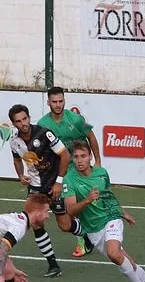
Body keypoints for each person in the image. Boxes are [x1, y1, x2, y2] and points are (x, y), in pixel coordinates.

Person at [62, 142, 145, 282]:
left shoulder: (101, 173)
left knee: (114, 253)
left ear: (90, 156)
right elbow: (70, 211)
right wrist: (87, 201)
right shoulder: (69, 180)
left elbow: (109, 198)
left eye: (83, 156)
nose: (80, 160)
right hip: (93, 230)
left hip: (110, 219)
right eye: (76, 157)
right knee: (128, 262)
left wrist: (122, 213)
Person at [8, 104, 91, 278]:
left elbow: (65, 155)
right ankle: (53, 265)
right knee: (36, 223)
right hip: (36, 186)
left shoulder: (45, 133)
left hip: (54, 183)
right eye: (18, 121)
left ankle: (85, 235)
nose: (23, 123)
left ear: (29, 117)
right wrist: (20, 174)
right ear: (14, 124)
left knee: (65, 226)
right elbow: (16, 159)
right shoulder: (15, 142)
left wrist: (59, 182)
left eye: (25, 119)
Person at [37, 86, 101, 258]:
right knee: (68, 211)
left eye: (61, 101)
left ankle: (85, 238)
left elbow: (92, 137)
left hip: (78, 167)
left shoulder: (76, 119)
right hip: (59, 171)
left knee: (76, 206)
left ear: (65, 100)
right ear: (48, 102)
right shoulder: (43, 124)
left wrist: (98, 162)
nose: (58, 105)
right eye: (54, 102)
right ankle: (85, 235)